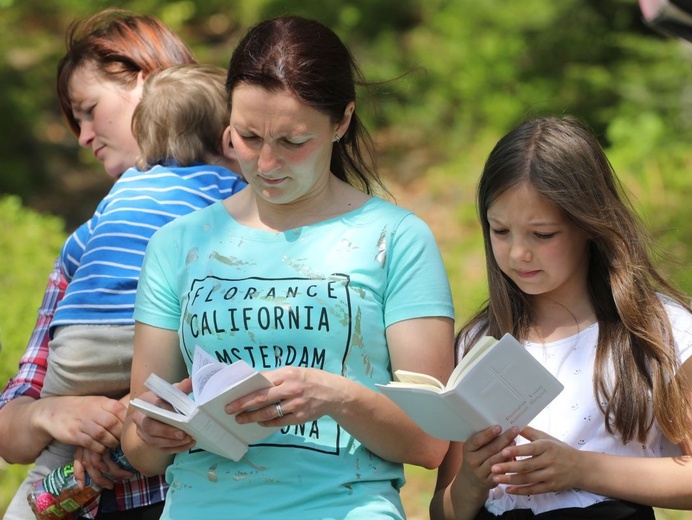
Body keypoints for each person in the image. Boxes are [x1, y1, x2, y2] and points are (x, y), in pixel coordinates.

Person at [121, 15, 455, 519]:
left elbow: (432, 443)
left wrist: (334, 396)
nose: (267, 163)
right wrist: (152, 431)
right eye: (248, 138)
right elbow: (139, 446)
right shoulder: (177, 244)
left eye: (293, 142)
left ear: (342, 121)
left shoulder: (395, 239)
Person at [0, 9, 226, 520]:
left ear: (145, 82)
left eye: (88, 109)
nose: (82, 136)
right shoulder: (98, 234)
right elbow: (12, 421)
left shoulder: (245, 210)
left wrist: (136, 408)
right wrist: (50, 414)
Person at [429, 116, 692, 520]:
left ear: (590, 224)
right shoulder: (479, 342)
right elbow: (443, 510)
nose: (518, 254)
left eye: (542, 234)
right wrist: (472, 478)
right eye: (500, 231)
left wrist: (582, 468)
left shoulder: (660, 331)